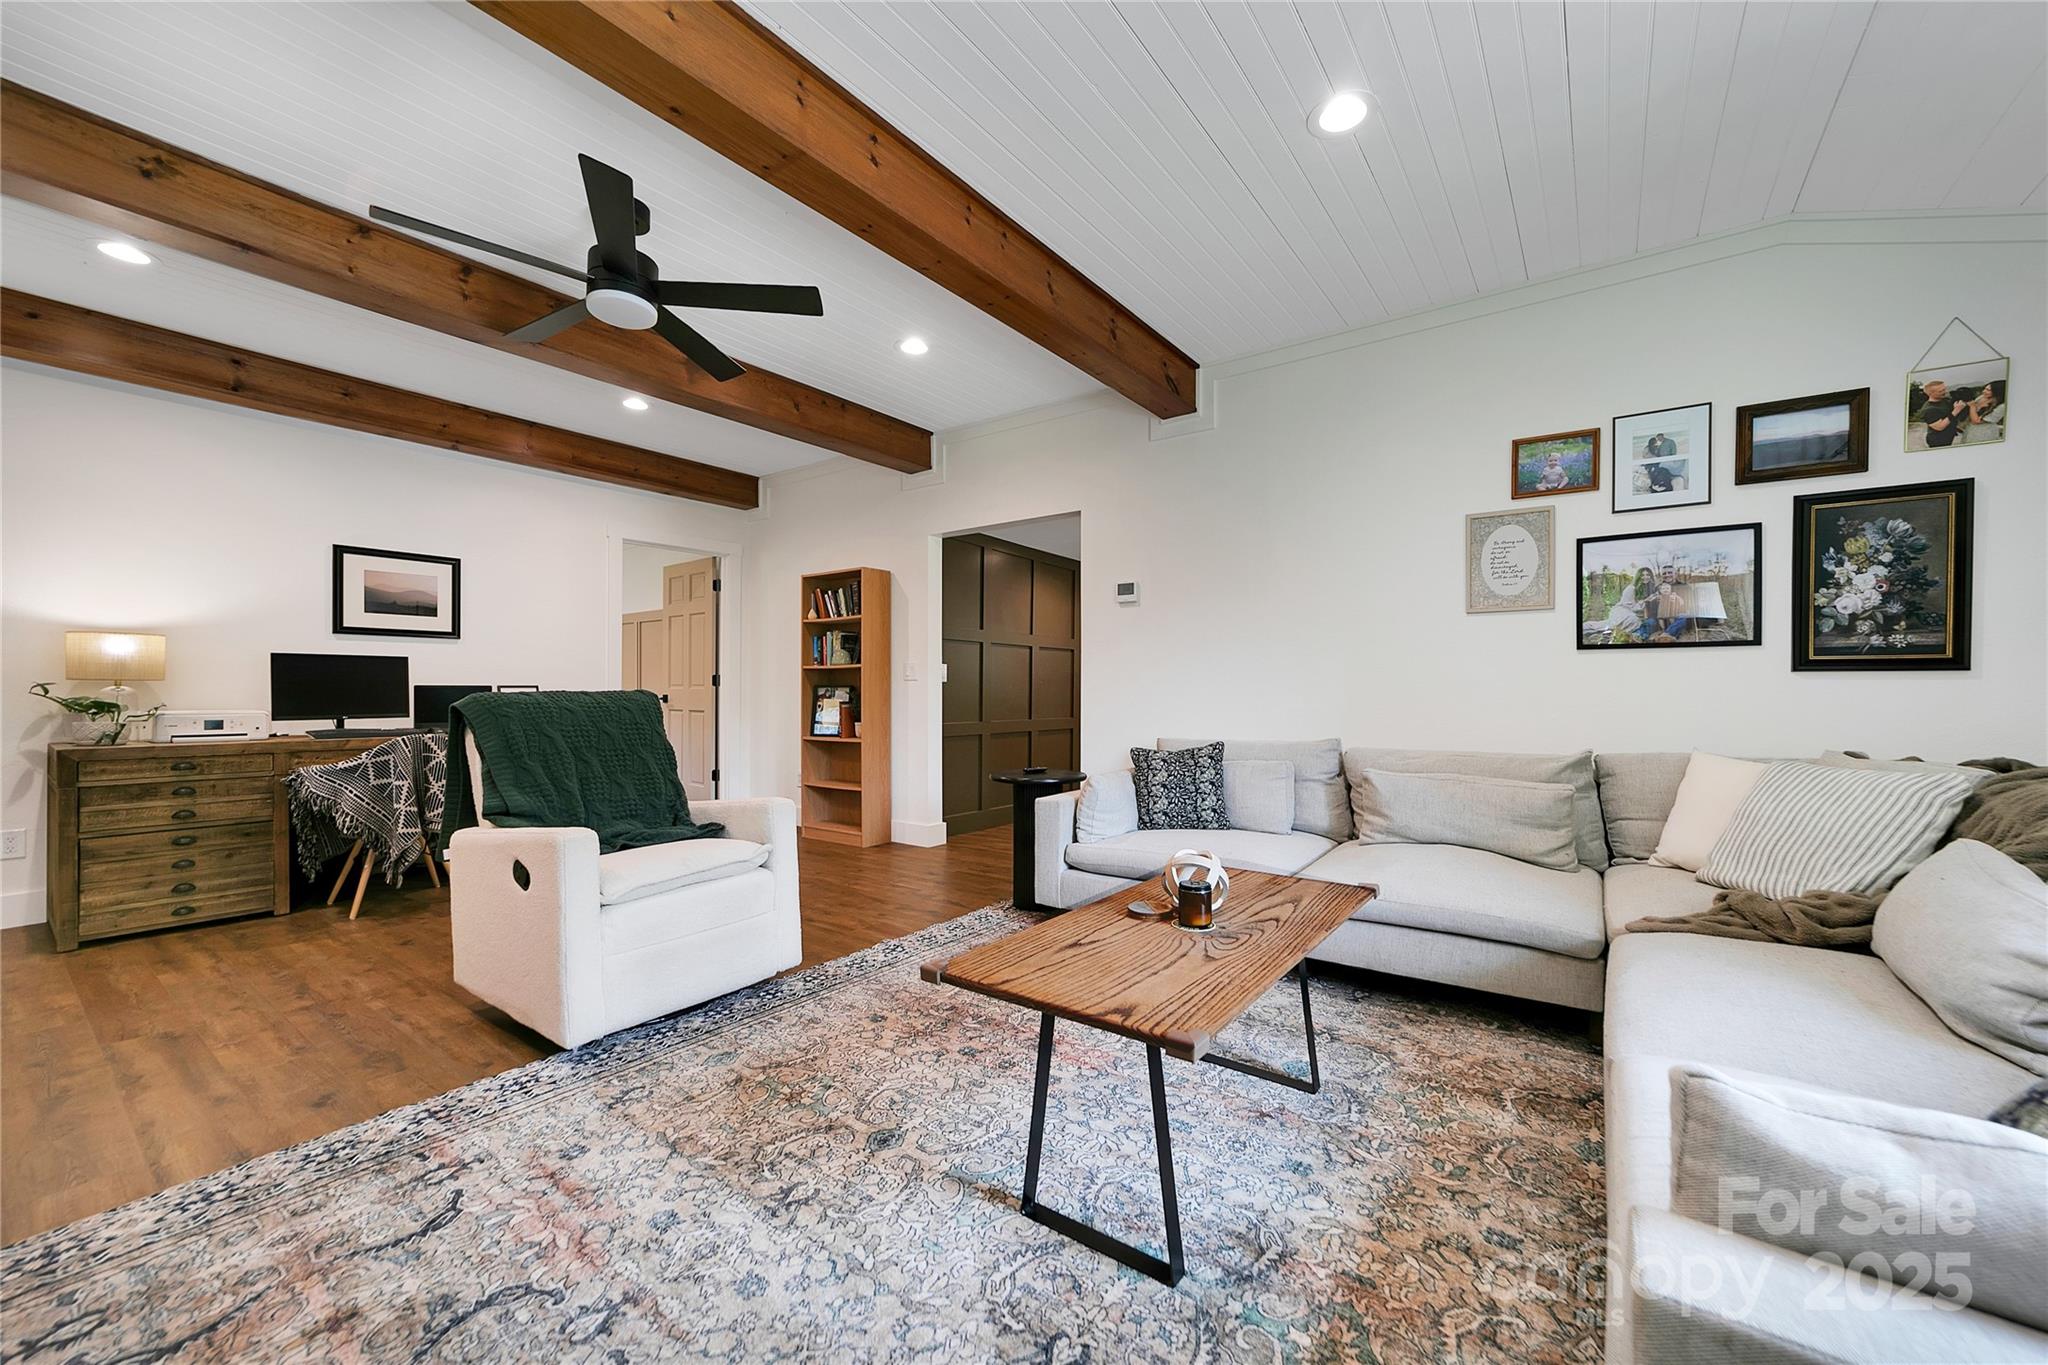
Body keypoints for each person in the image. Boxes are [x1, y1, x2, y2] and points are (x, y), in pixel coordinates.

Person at [1635, 565, 1692, 643]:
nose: (1667, 575)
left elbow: (1688, 605)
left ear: (1675, 574)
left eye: (1670, 572)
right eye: (1664, 573)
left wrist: (1676, 602)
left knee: (1684, 617)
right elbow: (1651, 608)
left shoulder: (1684, 587)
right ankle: (1638, 635)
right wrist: (1656, 602)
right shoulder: (1658, 588)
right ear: (1662, 575)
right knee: (1650, 621)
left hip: (1676, 616)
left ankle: (1666, 635)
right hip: (1660, 617)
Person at [1918, 379, 1970, 448]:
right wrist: (1956, 410)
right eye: (1941, 391)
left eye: (1944, 389)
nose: (1945, 392)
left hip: (1949, 438)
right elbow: (1940, 427)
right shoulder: (1929, 410)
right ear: (1931, 393)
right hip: (1938, 442)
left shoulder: (1944, 400)